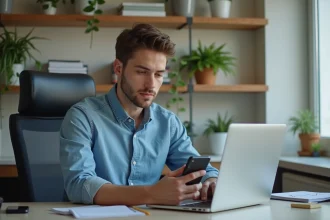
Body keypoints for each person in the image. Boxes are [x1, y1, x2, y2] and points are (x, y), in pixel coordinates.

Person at [59, 23, 219, 206]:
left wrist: (211, 181)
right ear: (118, 69)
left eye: (158, 75)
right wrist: (151, 194)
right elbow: (79, 185)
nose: (151, 84)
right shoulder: (82, 117)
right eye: (142, 72)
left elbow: (203, 170)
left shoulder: (168, 122)